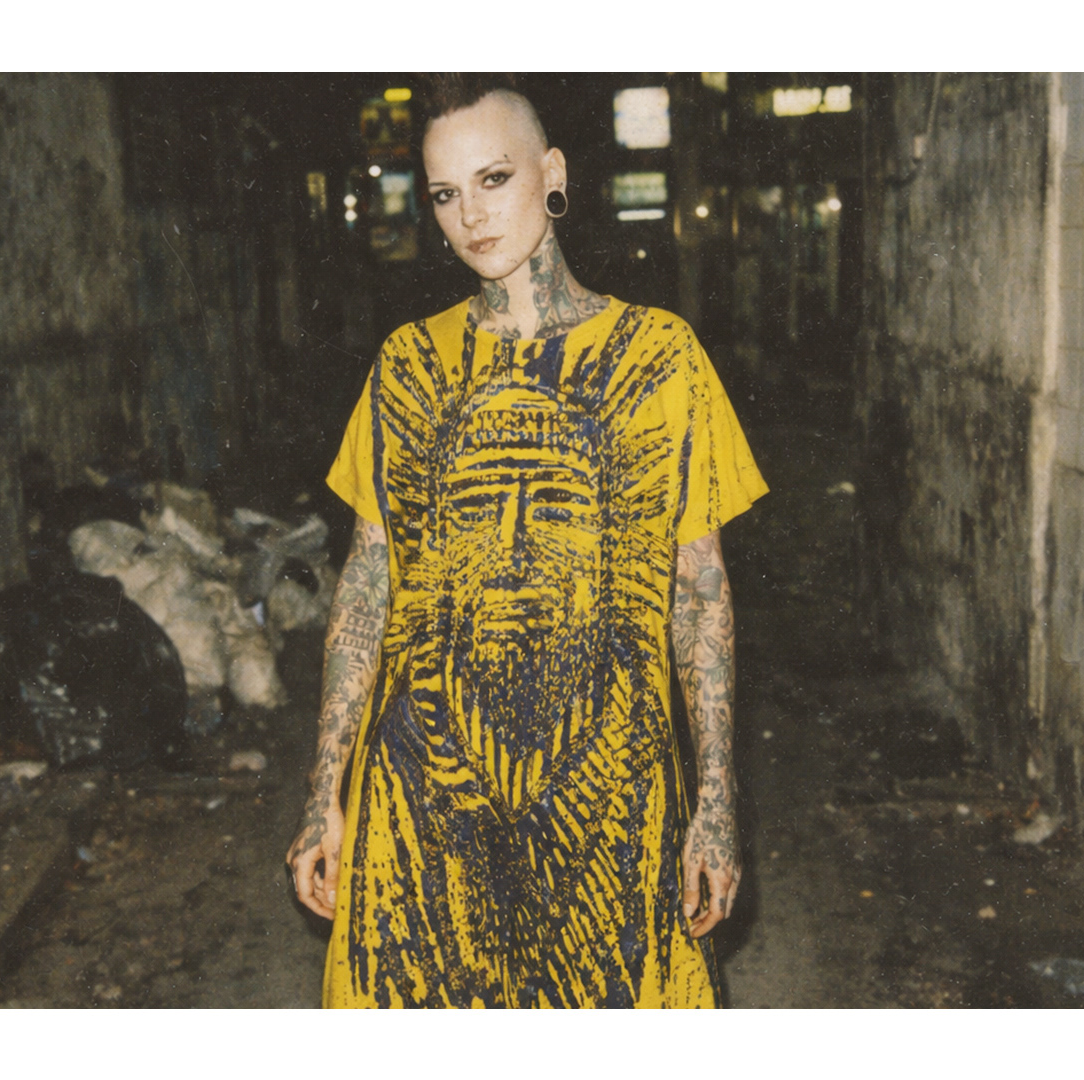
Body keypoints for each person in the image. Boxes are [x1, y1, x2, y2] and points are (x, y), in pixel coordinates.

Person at [287, 74, 767, 1008]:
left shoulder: (662, 358)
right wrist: (322, 794)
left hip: (613, 798)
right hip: (424, 804)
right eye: (444, 193)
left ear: (552, 175)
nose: (470, 215)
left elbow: (699, 590)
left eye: (493, 178)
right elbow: (367, 584)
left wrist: (715, 798)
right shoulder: (406, 367)